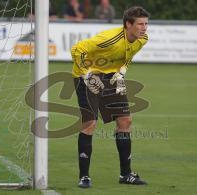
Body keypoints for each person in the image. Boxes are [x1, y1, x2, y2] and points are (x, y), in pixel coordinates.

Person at [71, 6, 150, 188]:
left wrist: (122, 71)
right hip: (88, 76)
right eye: (140, 24)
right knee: (90, 124)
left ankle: (126, 174)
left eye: (146, 24)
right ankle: (84, 177)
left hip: (113, 76)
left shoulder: (142, 39)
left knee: (125, 121)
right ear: (127, 24)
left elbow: (128, 55)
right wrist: (86, 73)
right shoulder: (109, 39)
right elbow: (78, 49)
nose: (144, 28)